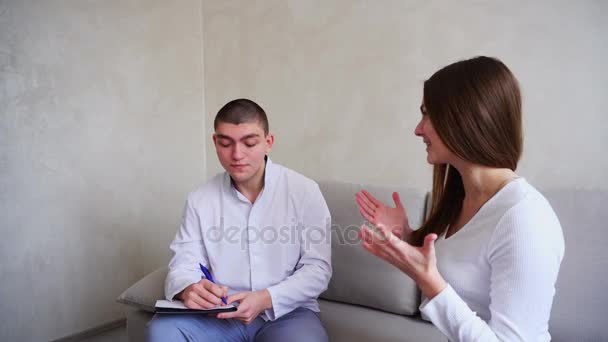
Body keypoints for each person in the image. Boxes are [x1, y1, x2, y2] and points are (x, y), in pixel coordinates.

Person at [355, 56, 564, 341]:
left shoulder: (524, 218)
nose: (418, 129)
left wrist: (430, 284)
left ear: (463, 117)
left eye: (427, 114)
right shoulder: (463, 199)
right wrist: (407, 236)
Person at [147, 99, 331, 342]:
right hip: (219, 315)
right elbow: (184, 261)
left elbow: (318, 269)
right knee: (161, 330)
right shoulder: (200, 199)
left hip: (287, 313)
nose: (237, 155)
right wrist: (187, 288)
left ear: (268, 142)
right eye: (226, 143)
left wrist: (265, 298)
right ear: (215, 142)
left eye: (250, 143)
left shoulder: (304, 192)